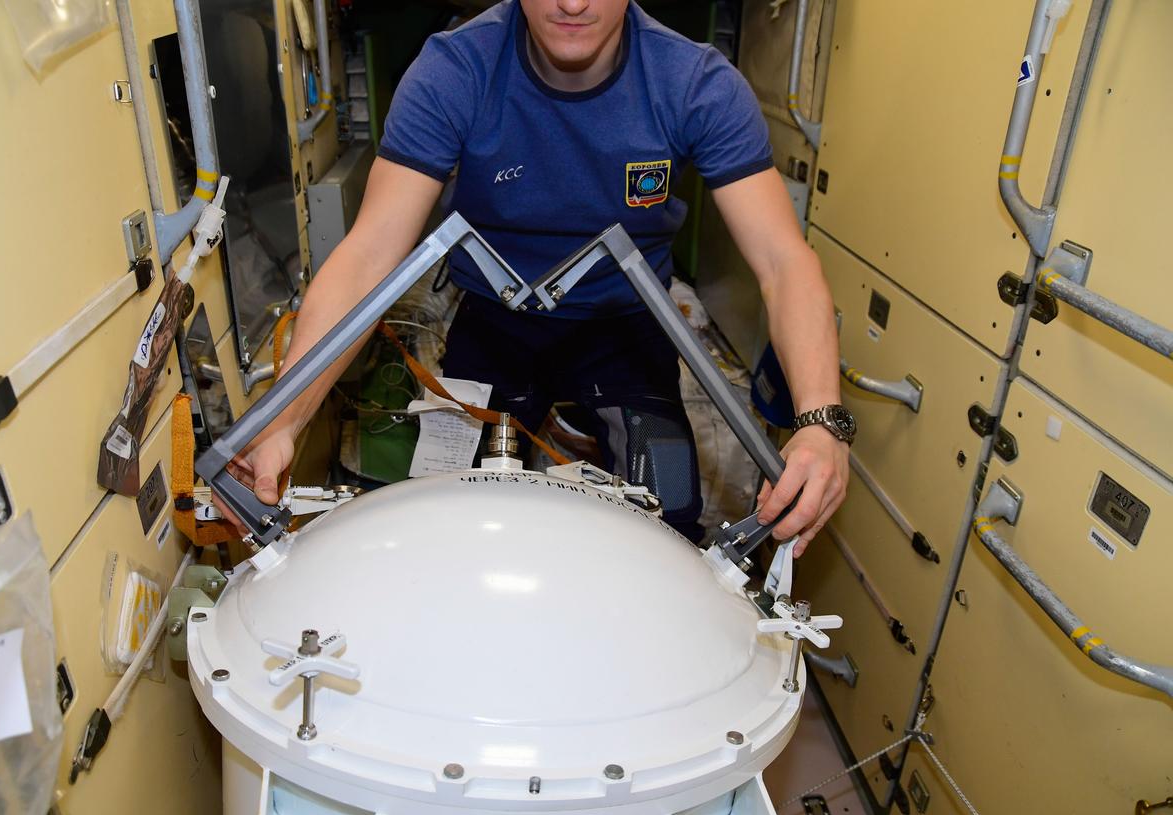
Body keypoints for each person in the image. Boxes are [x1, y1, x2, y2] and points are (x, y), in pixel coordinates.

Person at [227, 0, 851, 556]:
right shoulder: (455, 71)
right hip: (495, 322)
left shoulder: (695, 84)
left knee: (670, 525)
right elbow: (368, 255)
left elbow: (783, 261)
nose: (572, 4)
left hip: (627, 328)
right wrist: (282, 422)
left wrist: (821, 424)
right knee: (448, 524)